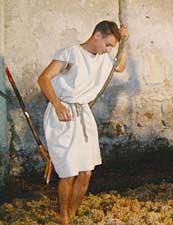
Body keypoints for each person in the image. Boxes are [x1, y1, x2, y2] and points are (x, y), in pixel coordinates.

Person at [37, 21, 128, 224]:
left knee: (86, 172)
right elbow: (43, 79)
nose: (108, 50)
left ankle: (73, 213)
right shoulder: (70, 53)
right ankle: (64, 218)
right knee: (69, 172)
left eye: (111, 46)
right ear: (97, 35)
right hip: (62, 113)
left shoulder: (103, 58)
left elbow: (120, 66)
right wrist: (58, 105)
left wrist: (125, 43)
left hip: (83, 115)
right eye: (108, 44)